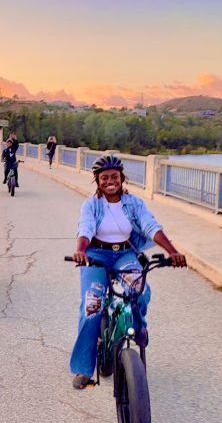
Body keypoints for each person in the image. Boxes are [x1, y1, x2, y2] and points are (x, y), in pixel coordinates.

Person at [69, 155, 187, 389]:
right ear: (97, 181)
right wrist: (80, 250)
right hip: (96, 255)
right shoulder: (91, 205)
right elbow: (86, 228)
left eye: (114, 176)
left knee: (139, 291)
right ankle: (83, 369)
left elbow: (151, 226)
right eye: (104, 178)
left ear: (122, 178)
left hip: (124, 254)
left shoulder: (134, 203)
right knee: (92, 306)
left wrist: (173, 252)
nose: (110, 181)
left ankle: (139, 325)